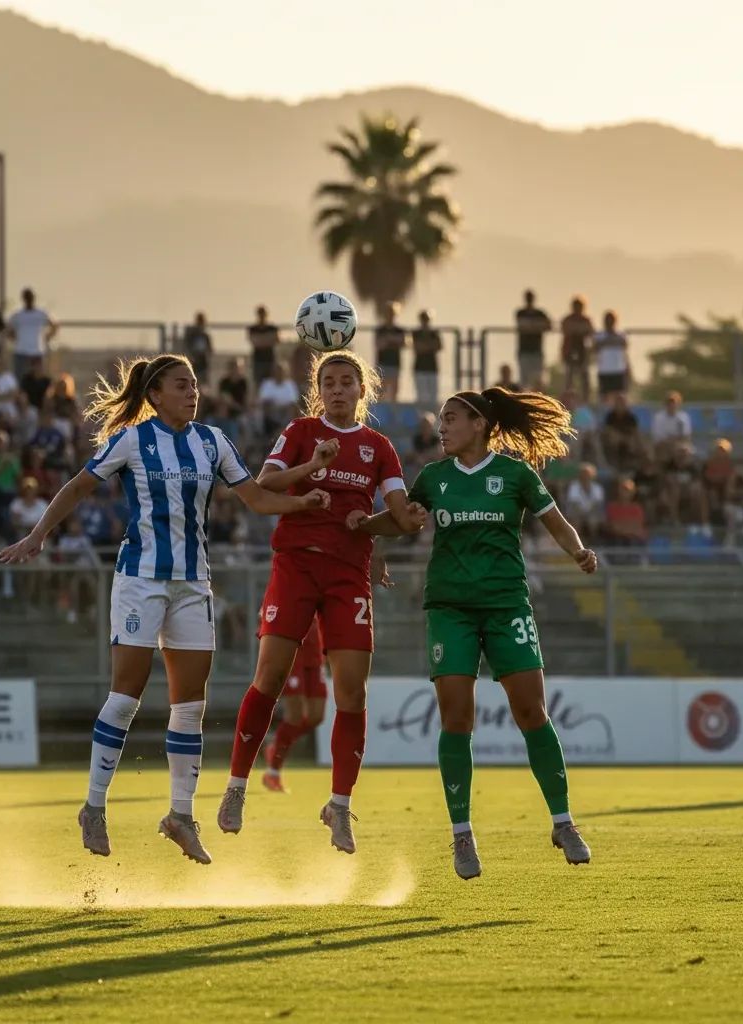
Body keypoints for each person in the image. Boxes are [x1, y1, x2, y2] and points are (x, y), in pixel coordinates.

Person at [0, 353, 329, 865]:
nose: (192, 392)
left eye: (195, 385)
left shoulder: (213, 441)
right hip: (140, 581)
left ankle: (179, 816)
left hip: (193, 584)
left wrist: (305, 494)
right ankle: (92, 807)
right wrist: (38, 535)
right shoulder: (133, 440)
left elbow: (257, 499)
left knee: (190, 705)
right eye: (181, 385)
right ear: (154, 394)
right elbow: (80, 486)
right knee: (126, 695)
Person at [216, 350, 426, 854]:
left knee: (351, 693)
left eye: (347, 381)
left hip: (348, 575)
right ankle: (237, 787)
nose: (337, 389)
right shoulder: (301, 433)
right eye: (328, 382)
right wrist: (314, 466)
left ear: (362, 390)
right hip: (296, 565)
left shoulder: (379, 447)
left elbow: (396, 517)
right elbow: (264, 485)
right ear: (319, 390)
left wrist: (395, 519)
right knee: (268, 676)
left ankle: (339, 805)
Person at [403, 386, 597, 879]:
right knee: (456, 718)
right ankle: (462, 835)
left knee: (532, 711)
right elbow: (403, 519)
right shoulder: (433, 478)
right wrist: (368, 525)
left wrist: (578, 551)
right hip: (450, 609)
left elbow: (556, 522)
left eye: (450, 418)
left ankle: (563, 822)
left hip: (507, 605)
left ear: (478, 424)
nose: (441, 426)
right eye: (441, 418)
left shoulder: (514, 474)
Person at [260, 621, 326, 792]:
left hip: (316, 653)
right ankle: (273, 772)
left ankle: (277, 745)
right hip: (292, 652)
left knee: (316, 716)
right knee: (295, 715)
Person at [7, 288, 57, 381]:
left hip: (37, 352)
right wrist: (14, 338)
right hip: (21, 352)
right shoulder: (18, 314)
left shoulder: (41, 313)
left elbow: (54, 325)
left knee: (38, 380)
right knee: (20, 380)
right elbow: (8, 328)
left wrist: (47, 337)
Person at [515, 290, 552, 391]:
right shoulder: (520, 312)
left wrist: (532, 325)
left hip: (537, 351)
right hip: (524, 351)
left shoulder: (540, 313)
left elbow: (549, 325)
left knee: (537, 378)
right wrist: (537, 325)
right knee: (524, 379)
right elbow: (522, 326)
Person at [560, 296, 593, 402]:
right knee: (569, 378)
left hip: (582, 352)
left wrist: (577, 329)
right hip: (569, 351)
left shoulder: (586, 319)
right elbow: (567, 328)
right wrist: (579, 329)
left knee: (584, 378)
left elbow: (590, 330)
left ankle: (585, 401)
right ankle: (567, 400)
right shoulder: (568, 318)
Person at [592, 310, 630, 401]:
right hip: (604, 370)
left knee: (619, 396)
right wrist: (609, 341)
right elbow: (595, 347)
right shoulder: (599, 335)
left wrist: (606, 342)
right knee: (604, 397)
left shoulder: (621, 335)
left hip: (618, 370)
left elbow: (624, 344)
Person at [374, 302, 406, 402]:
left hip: (394, 363)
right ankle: (380, 412)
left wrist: (389, 340)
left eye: (392, 313)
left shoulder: (399, 330)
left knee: (394, 392)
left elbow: (403, 343)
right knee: (381, 390)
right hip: (382, 364)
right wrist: (394, 341)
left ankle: (393, 412)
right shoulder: (380, 330)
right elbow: (380, 345)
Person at [412, 310, 442, 407]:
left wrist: (425, 346)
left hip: (432, 367)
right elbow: (417, 348)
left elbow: (438, 346)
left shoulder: (434, 332)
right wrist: (430, 346)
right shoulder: (416, 333)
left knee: (433, 395)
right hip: (419, 367)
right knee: (421, 395)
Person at [247, 305, 280, 386]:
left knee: (271, 383)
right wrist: (267, 338)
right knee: (258, 384)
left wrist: (261, 339)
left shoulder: (272, 328)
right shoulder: (253, 329)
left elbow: (276, 340)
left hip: (270, 360)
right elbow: (254, 342)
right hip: (258, 361)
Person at [181, 312, 213, 386]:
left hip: (203, 361)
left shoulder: (205, 335)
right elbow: (187, 346)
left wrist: (207, 355)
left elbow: (210, 349)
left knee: (203, 382)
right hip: (194, 361)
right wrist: (191, 356)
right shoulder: (192, 335)